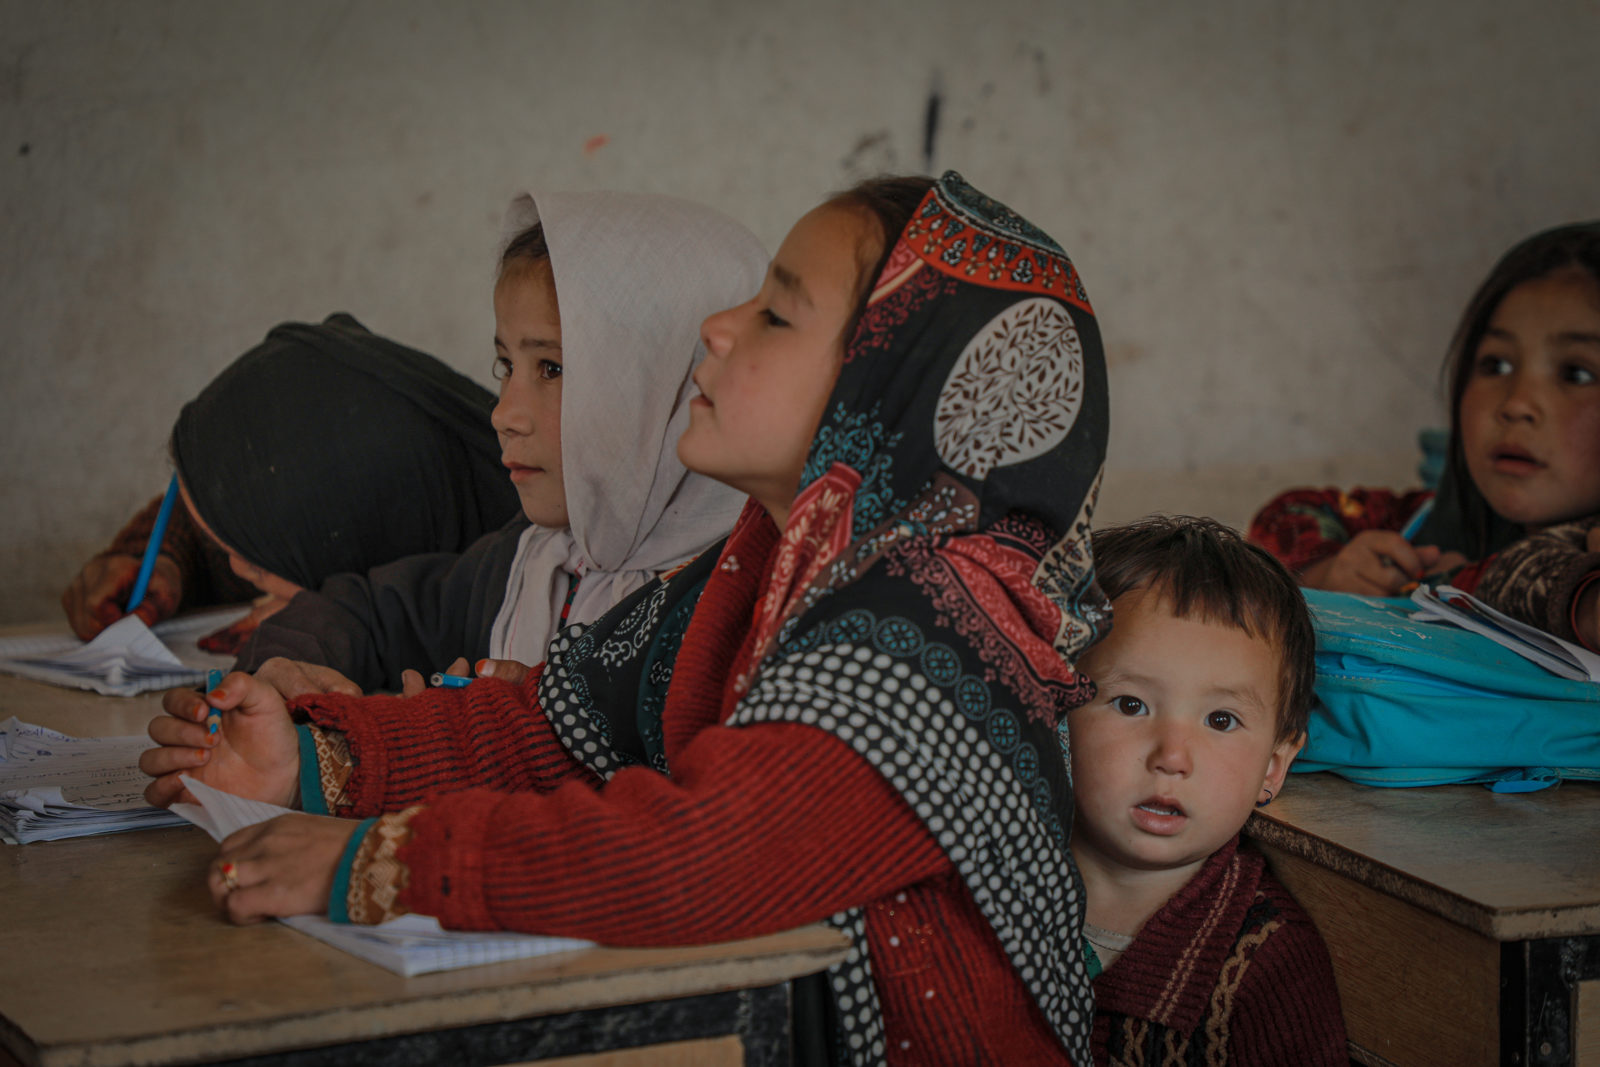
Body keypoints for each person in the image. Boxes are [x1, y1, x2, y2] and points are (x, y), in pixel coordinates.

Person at [142, 171, 1111, 1064]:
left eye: (774, 314)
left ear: (891, 384)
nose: (718, 327)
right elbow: (554, 727)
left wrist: (379, 863)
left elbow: (700, 859)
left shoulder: (934, 641)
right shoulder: (766, 567)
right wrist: (311, 762)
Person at [234, 190, 767, 695]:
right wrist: (287, 667)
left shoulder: (745, 600)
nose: (503, 414)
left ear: (671, 381)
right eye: (506, 365)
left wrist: (500, 736)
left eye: (552, 368)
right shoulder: (532, 559)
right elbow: (367, 610)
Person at [59, 314, 522, 653]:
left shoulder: (545, 598)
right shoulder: (389, 505)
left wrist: (343, 623)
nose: (234, 569)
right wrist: (161, 558)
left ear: (355, 546)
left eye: (252, 565)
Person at [1068, 516, 1346, 1064]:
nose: (1172, 757)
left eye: (1221, 720)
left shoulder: (1267, 964)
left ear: (1273, 767)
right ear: (1052, 712)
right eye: (1131, 705)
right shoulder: (985, 892)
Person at [1248, 222, 1600, 650]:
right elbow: (1283, 519)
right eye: (1496, 366)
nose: (1516, 404)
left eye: (1577, 374)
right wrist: (1327, 573)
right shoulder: (1419, 528)